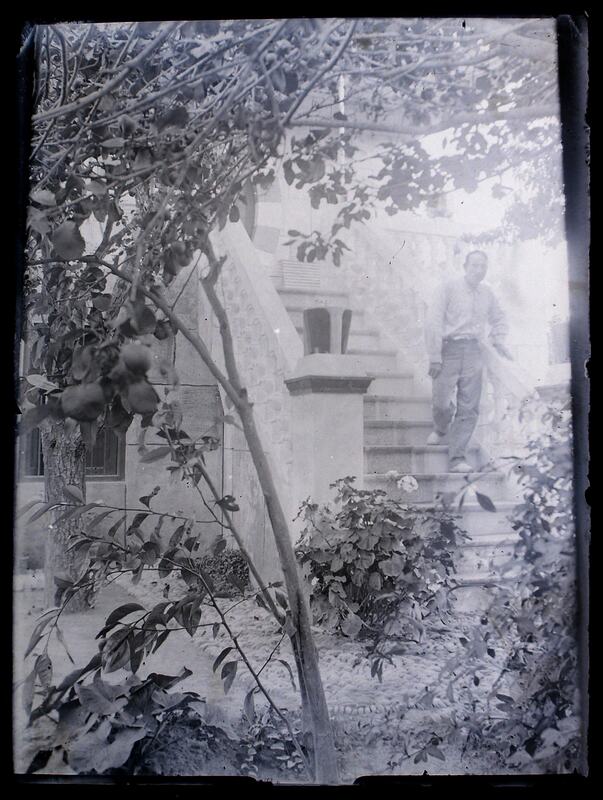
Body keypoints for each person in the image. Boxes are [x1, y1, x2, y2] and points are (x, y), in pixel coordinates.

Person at [425, 250, 512, 473]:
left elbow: (500, 318)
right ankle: (441, 427)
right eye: (475, 265)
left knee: (469, 406)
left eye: (483, 266)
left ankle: (457, 458)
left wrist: (498, 337)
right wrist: (434, 355)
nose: (479, 270)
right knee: (441, 402)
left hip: (474, 351)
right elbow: (434, 321)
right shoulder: (448, 288)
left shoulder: (487, 293)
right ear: (465, 266)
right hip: (449, 350)